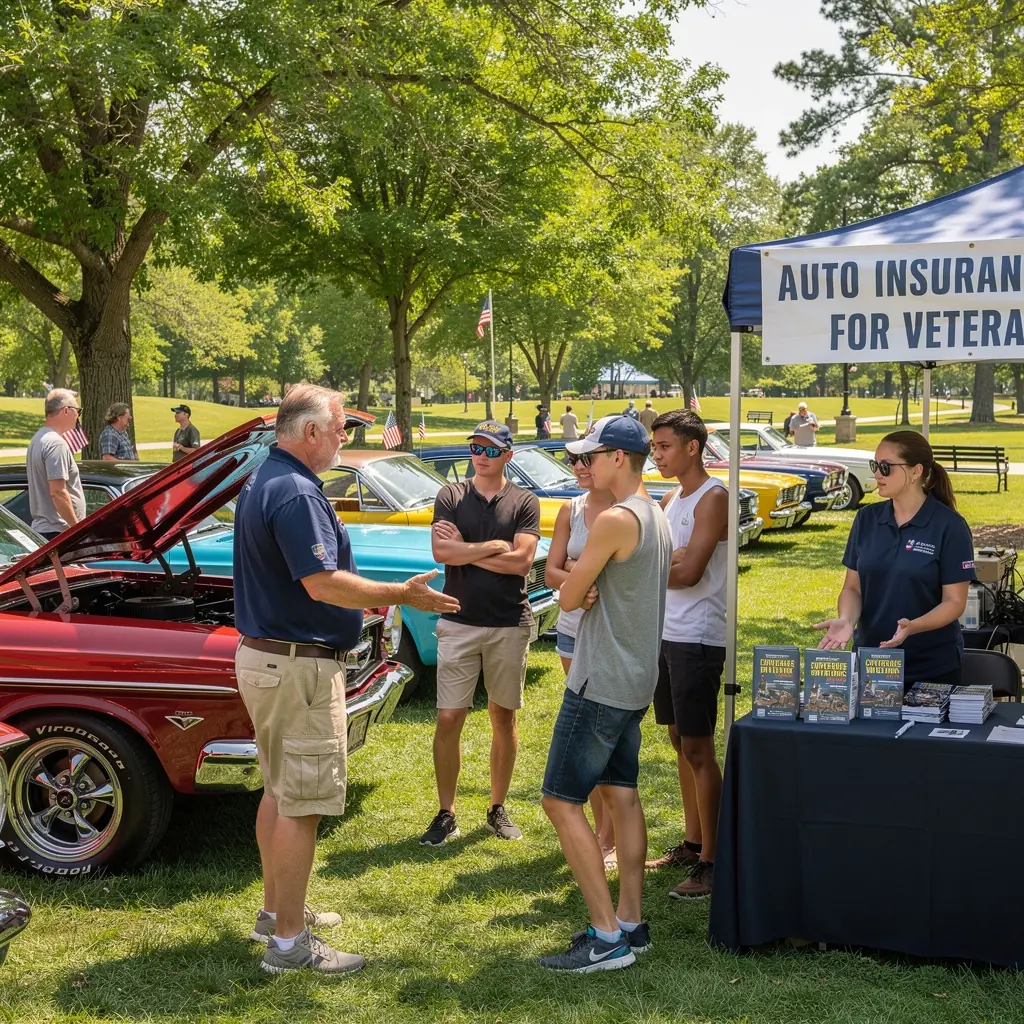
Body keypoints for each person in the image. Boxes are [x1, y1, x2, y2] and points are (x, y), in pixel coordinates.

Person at [233, 383, 459, 976]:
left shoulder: (268, 480)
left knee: (281, 792)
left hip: (270, 659)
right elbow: (322, 582)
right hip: (297, 666)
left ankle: (276, 912)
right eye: (339, 430)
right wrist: (402, 595)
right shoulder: (296, 493)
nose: (342, 440)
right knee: (301, 804)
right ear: (310, 432)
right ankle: (289, 945)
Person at [538, 415, 671, 973]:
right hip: (636, 678)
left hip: (600, 682)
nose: (583, 465)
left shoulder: (615, 518)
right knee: (622, 794)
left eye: (592, 456)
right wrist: (582, 583)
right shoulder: (656, 512)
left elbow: (566, 596)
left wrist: (577, 583)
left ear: (619, 458)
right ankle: (631, 922)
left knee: (559, 800)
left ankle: (606, 936)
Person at [421, 421, 541, 846]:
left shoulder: (525, 501)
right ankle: (445, 811)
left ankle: (496, 808)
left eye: (491, 449)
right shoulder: (450, 495)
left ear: (508, 455)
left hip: (510, 622)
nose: (481, 455)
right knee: (449, 716)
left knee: (502, 717)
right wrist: (493, 548)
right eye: (475, 447)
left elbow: (522, 563)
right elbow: (441, 552)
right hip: (458, 620)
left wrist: (467, 552)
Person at [645, 410, 729, 899]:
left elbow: (690, 570)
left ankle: (713, 862)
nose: (656, 455)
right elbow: (662, 561)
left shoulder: (711, 497)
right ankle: (693, 842)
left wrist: (663, 564)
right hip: (667, 633)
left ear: (692, 448)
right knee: (679, 740)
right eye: (654, 448)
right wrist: (665, 562)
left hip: (698, 636)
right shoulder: (671, 497)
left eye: (664, 446)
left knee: (698, 748)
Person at [814, 431, 975, 687]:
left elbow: (954, 602)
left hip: (930, 666)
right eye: (875, 465)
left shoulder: (950, 526)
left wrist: (913, 627)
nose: (877, 474)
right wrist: (846, 620)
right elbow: (853, 588)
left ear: (916, 471)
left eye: (886, 467)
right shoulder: (866, 519)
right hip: (871, 661)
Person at [544, 444, 617, 870]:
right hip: (572, 635)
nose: (579, 467)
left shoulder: (626, 512)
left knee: (603, 739)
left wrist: (578, 568)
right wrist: (579, 574)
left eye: (586, 460)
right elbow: (550, 570)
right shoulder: (570, 510)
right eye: (574, 460)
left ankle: (609, 838)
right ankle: (592, 831)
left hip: (609, 638)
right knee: (583, 736)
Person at [26, 389, 86, 541]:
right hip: (59, 532)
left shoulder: (38, 439)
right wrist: (77, 529)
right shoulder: (56, 443)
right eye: (78, 410)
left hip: (46, 531)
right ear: (66, 410)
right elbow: (58, 493)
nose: (78, 416)